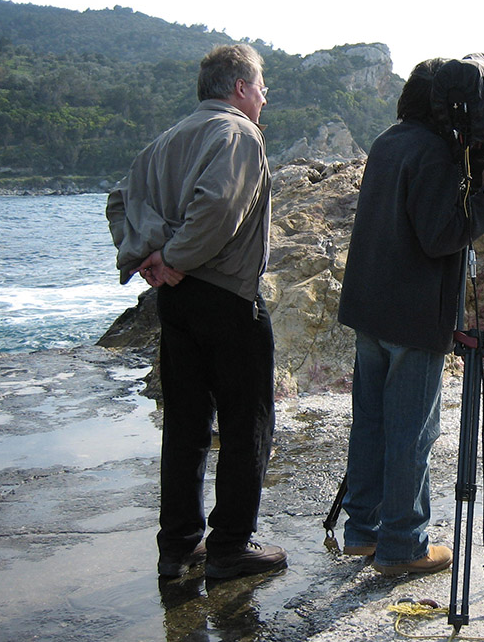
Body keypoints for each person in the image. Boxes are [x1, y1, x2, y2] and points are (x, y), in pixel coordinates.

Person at [107, 43, 287, 580]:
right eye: (260, 85)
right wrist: (176, 257)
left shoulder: (166, 140)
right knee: (245, 421)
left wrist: (150, 257)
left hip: (177, 301)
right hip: (227, 297)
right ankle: (231, 545)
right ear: (239, 88)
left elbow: (120, 202)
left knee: (184, 423)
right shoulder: (238, 134)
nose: (265, 94)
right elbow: (217, 207)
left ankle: (178, 547)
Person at [336, 58, 484, 575]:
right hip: (414, 317)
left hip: (371, 308)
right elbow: (441, 235)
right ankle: (403, 546)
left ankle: (363, 532)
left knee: (370, 424)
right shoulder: (435, 152)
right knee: (413, 430)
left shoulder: (390, 141)